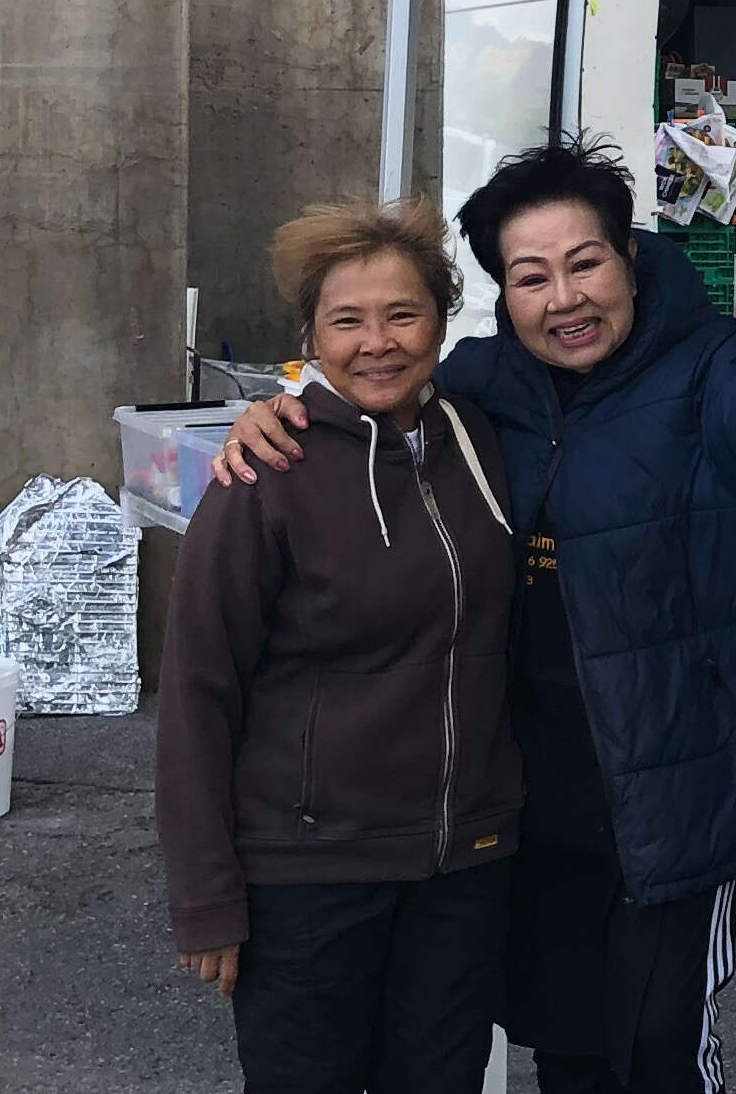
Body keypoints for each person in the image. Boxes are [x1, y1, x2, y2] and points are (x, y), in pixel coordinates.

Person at [215, 140, 736, 1094]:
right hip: (533, 792)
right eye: (531, 277)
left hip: (676, 781)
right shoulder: (483, 384)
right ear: (504, 294)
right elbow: (375, 395)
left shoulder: (711, 360)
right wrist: (279, 410)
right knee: (566, 1041)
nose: (565, 299)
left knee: (659, 1044)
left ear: (630, 258)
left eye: (585, 264)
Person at [159, 201, 524, 1094]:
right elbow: (198, 691)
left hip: (463, 865)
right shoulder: (264, 474)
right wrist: (206, 895)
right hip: (309, 876)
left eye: (403, 315)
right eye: (346, 321)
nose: (377, 344)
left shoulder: (478, 438)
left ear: (441, 320)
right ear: (311, 338)